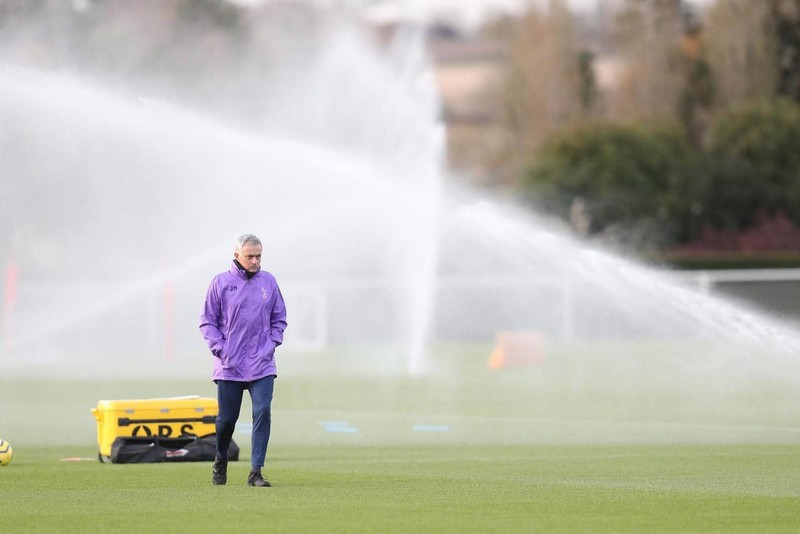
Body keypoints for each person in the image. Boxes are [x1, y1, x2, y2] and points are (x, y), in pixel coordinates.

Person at [199, 234, 287, 487]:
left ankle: (255, 472)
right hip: (230, 366)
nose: (255, 261)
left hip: (262, 364)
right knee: (227, 420)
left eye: (258, 256)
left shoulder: (268, 282)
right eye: (250, 256)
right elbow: (207, 321)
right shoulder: (220, 283)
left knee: (262, 412)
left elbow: (279, 319)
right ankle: (221, 457)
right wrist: (221, 350)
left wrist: (270, 345)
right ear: (236, 255)